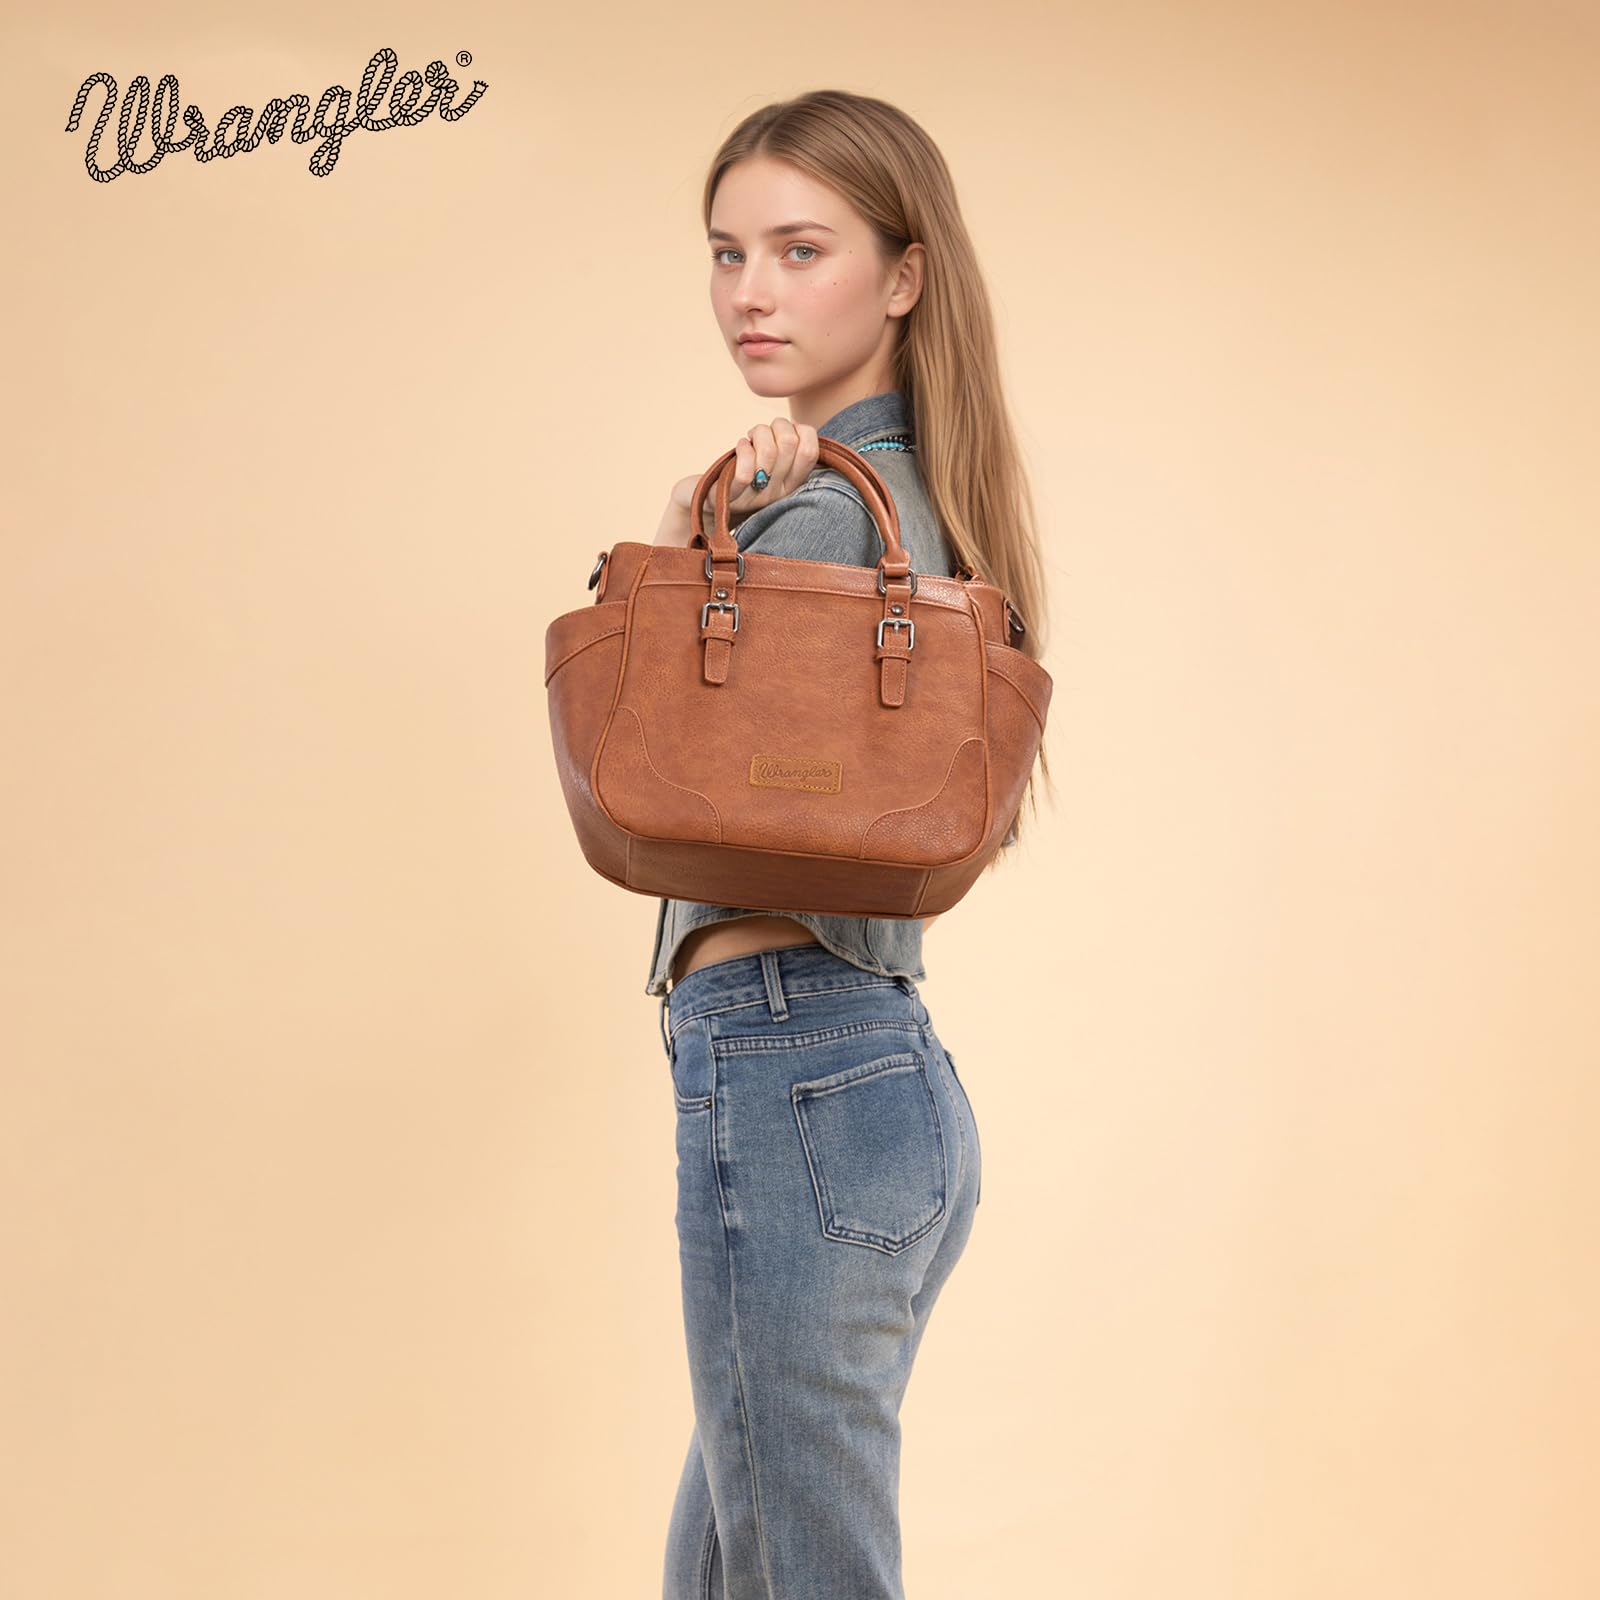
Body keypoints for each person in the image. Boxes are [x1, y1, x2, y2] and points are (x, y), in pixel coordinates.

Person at [647, 89, 1053, 1599]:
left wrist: (697, 539)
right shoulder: (895, 506)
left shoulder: (828, 529)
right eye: (728, 252)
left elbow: (659, 773)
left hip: (790, 1063)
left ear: (903, 276)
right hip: (862, 1079)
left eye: (799, 249)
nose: (750, 292)